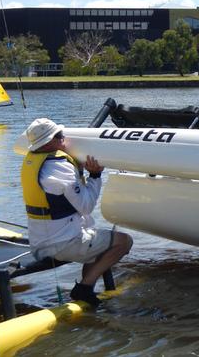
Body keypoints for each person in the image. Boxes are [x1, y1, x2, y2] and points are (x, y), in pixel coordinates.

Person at [21, 118, 132, 306]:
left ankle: (87, 288)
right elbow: (86, 206)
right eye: (60, 136)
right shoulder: (60, 167)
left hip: (39, 242)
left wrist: (78, 169)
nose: (64, 138)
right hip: (63, 243)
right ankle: (84, 288)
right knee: (124, 241)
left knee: (98, 242)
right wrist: (95, 176)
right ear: (49, 142)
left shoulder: (33, 161)